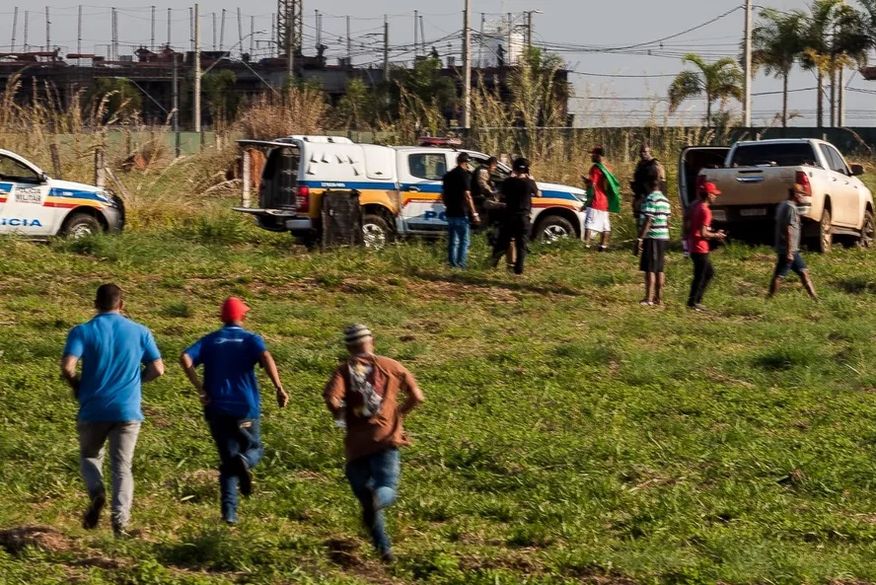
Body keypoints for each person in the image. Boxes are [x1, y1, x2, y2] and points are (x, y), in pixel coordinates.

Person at [60, 284, 165, 537]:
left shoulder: (82, 331)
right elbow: (158, 369)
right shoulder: (140, 331)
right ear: (122, 304)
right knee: (122, 467)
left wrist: (77, 385)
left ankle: (97, 493)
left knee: (89, 457)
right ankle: (120, 525)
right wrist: (135, 381)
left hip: (92, 409)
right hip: (127, 410)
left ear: (95, 303)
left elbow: (67, 366)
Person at [180, 297, 289, 525]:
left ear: (222, 317)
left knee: (227, 461)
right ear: (243, 316)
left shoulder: (211, 340)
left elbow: (185, 357)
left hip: (217, 408)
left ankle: (229, 514)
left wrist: (200, 389)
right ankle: (245, 461)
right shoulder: (250, 339)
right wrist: (279, 387)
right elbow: (266, 357)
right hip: (245, 408)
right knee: (255, 448)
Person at [323, 324, 425, 564]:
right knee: (385, 486)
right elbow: (418, 397)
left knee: (367, 499)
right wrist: (399, 413)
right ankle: (379, 515)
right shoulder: (393, 366)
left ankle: (384, 550)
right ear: (372, 341)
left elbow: (331, 398)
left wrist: (341, 416)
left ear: (348, 347)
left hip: (356, 447)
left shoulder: (344, 370)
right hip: (386, 440)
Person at [490, 157, 538, 275]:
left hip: (509, 217)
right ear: (527, 169)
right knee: (521, 245)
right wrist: (532, 180)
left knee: (503, 241)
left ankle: (492, 263)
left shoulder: (508, 182)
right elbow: (538, 194)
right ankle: (518, 270)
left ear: (514, 168)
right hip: (524, 217)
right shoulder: (529, 182)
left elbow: (499, 195)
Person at [769, 185, 818, 299]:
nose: (803, 196)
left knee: (803, 272)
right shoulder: (791, 207)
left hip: (791, 249)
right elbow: (788, 229)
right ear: (795, 194)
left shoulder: (783, 205)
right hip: (788, 249)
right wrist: (789, 251)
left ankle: (815, 298)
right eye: (801, 194)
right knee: (779, 276)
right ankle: (769, 300)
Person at [686, 182, 727, 311]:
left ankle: (694, 301)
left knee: (706, 273)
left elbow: (688, 224)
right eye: (714, 194)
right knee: (703, 275)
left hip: (694, 246)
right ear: (708, 195)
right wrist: (717, 235)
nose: (715, 196)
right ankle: (694, 302)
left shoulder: (696, 206)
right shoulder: (706, 211)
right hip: (700, 247)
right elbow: (703, 233)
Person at [635, 178, 672, 305]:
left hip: (652, 237)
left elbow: (648, 220)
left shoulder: (650, 199)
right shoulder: (665, 200)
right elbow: (667, 221)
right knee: (659, 268)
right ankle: (659, 298)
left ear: (647, 185)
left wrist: (640, 238)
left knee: (650, 268)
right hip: (663, 237)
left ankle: (648, 298)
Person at [441, 152, 481, 268]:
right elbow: (467, 195)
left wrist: (447, 205)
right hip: (461, 212)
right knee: (464, 241)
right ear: (466, 162)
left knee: (453, 241)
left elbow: (443, 194)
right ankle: (461, 264)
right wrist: (474, 213)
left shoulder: (448, 175)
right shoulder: (464, 175)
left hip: (450, 211)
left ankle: (452, 264)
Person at [584, 146, 622, 251]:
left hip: (596, 201)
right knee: (606, 227)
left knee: (589, 225)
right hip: (604, 202)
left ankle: (586, 246)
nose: (591, 156)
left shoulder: (595, 168)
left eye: (593, 154)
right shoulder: (608, 168)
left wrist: (587, 182)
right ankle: (603, 247)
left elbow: (592, 184)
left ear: (598, 155)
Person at [631, 144, 666, 222]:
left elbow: (662, 181)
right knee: (639, 220)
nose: (642, 154)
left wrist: (662, 197)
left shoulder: (655, 164)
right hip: (639, 197)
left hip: (651, 196)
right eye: (641, 152)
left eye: (645, 151)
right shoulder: (639, 165)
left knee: (649, 219)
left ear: (649, 151)